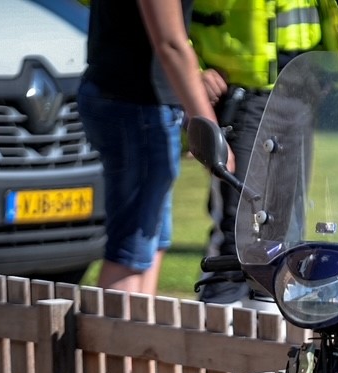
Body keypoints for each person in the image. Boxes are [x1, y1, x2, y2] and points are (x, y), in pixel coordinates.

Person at [189, 0, 338, 306]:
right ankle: (213, 340)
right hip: (244, 96)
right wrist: (193, 71)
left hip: (300, 88)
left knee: (284, 233)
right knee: (239, 234)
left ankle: (268, 340)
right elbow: (163, 18)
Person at [78, 0, 233, 296]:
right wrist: (209, 131)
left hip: (138, 102)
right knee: (131, 251)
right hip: (135, 104)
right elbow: (171, 44)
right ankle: (114, 341)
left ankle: (137, 339)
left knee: (152, 241)